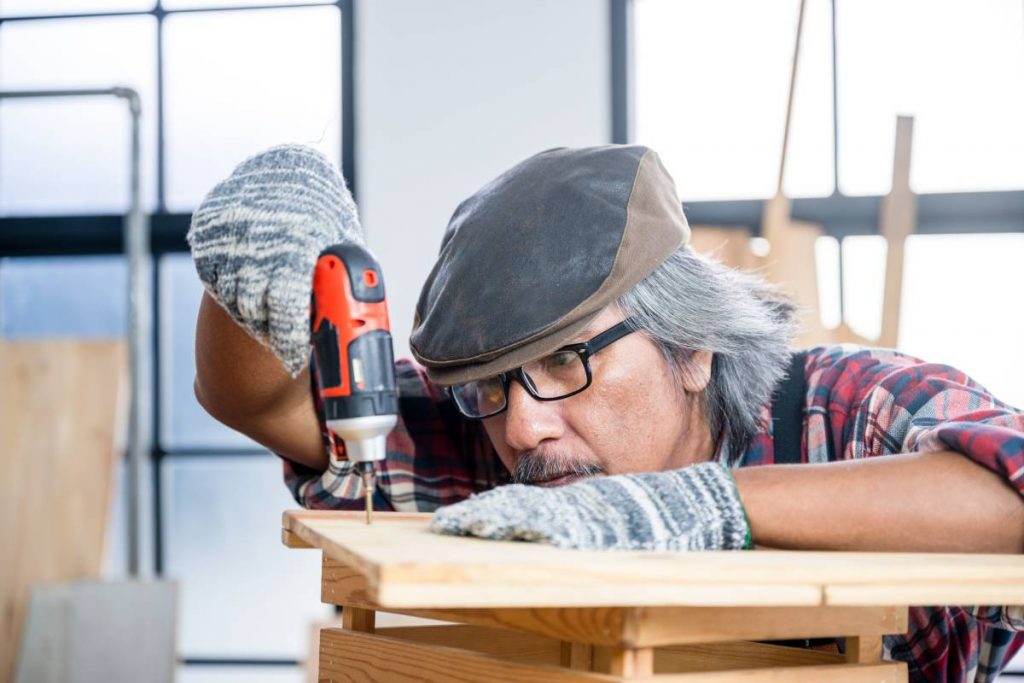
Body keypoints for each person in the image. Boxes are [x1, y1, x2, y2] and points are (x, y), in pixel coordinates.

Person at [189, 144, 1024, 681]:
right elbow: (256, 398)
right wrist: (257, 277)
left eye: (565, 360)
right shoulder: (491, 444)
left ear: (692, 348)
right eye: (492, 384)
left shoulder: (848, 413)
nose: (522, 429)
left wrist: (703, 505)